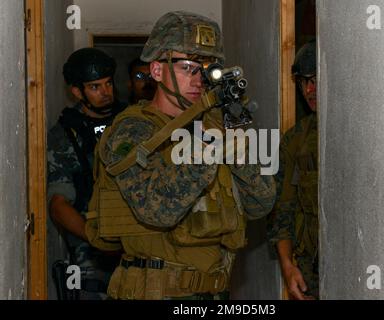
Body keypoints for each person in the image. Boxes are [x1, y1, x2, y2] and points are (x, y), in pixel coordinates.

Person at [84, 11, 276, 300]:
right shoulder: (132, 130)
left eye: (208, 67)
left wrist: (238, 147)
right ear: (157, 71)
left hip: (215, 294)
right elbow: (157, 211)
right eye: (188, 67)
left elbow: (261, 204)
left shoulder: (215, 124)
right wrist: (206, 152)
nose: (200, 79)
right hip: (151, 292)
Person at [47, 47, 127, 300]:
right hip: (92, 249)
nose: (105, 92)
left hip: (137, 243)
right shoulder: (65, 135)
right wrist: (97, 239)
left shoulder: (131, 122)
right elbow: (58, 205)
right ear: (76, 91)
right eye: (95, 87)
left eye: (108, 84)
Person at [267, 40, 318, 300]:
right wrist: (288, 267)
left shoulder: (361, 132)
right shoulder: (296, 139)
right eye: (304, 81)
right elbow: (283, 209)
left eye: (317, 78)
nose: (310, 89)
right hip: (312, 273)